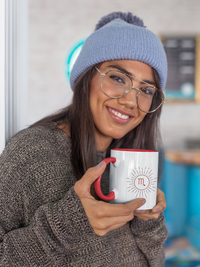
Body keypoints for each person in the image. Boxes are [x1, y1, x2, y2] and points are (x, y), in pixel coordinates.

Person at [0, 11, 168, 267]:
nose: (131, 101)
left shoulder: (131, 160)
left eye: (146, 90)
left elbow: (155, 260)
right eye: (117, 78)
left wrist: (150, 219)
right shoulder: (31, 152)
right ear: (86, 79)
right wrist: (66, 223)